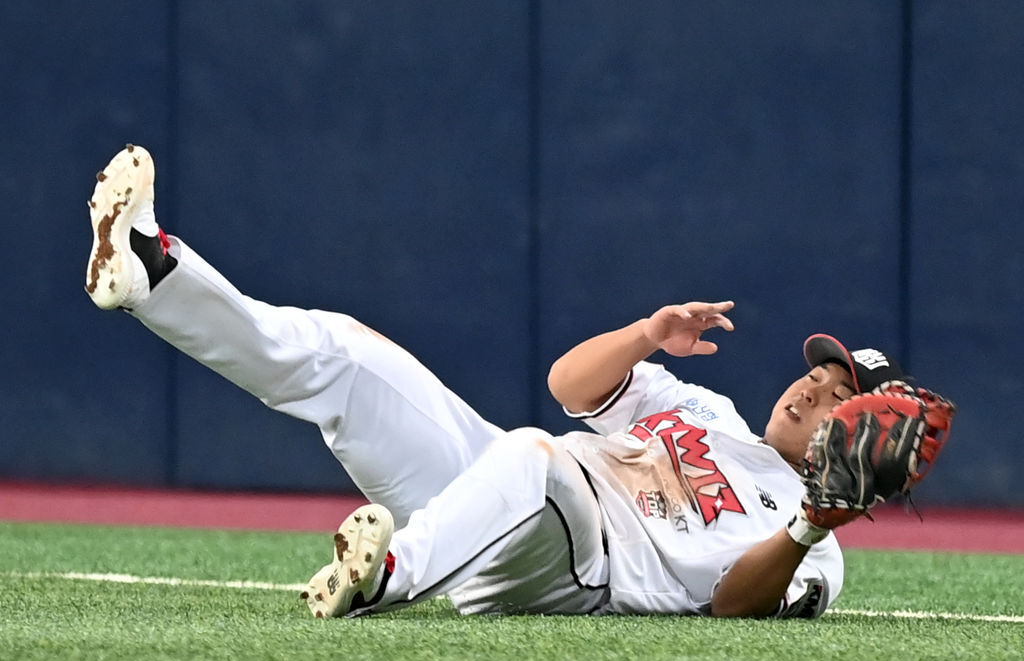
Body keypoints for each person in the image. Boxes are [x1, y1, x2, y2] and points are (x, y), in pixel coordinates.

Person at [86, 144, 911, 621]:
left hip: (577, 565)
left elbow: (738, 607)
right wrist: (645, 335)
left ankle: (386, 575)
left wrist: (810, 523)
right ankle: (158, 275)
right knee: (344, 352)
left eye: (838, 395)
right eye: (815, 372)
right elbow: (569, 385)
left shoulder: (820, 556)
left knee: (537, 459)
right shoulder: (711, 410)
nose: (809, 388)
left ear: (865, 447)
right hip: (498, 489)